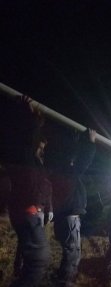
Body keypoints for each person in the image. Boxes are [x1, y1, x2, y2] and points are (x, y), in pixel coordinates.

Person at [3, 96, 52, 287]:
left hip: (29, 211)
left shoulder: (30, 158)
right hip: (27, 211)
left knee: (34, 260)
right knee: (38, 260)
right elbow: (27, 136)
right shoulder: (22, 152)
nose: (42, 146)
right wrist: (29, 115)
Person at [51, 128, 97, 287]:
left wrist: (77, 142)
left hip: (65, 217)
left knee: (70, 252)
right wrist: (90, 143)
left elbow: (76, 159)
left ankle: (64, 280)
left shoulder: (58, 168)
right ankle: (65, 282)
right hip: (68, 218)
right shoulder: (65, 171)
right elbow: (83, 162)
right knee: (72, 253)